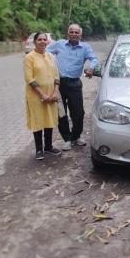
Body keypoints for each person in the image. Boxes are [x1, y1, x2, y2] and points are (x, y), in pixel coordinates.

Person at [47, 24, 99, 151]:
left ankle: (76, 136)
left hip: (75, 83)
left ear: (80, 35)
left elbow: (94, 59)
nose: (74, 34)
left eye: (76, 32)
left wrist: (91, 68)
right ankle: (67, 139)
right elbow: (45, 52)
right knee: (61, 112)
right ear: (67, 33)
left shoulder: (85, 47)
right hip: (59, 84)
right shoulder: (59, 44)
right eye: (71, 31)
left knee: (78, 113)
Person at [24, 32, 62, 160]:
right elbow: (29, 79)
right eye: (39, 39)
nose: (42, 41)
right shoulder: (29, 57)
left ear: (47, 42)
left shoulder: (50, 56)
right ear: (35, 42)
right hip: (36, 96)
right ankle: (39, 149)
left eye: (44, 39)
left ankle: (49, 147)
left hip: (51, 94)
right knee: (38, 120)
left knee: (49, 119)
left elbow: (57, 75)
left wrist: (55, 92)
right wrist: (42, 94)